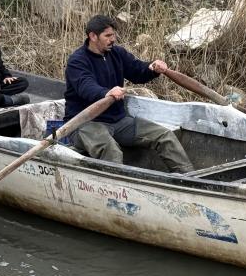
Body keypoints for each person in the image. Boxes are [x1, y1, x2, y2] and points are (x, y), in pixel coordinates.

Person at [64, 15, 194, 173]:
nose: (113, 39)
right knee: (111, 151)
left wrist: (151, 68)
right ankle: (115, 192)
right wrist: (106, 92)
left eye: (114, 35)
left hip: (118, 121)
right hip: (85, 123)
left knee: (164, 136)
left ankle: (189, 179)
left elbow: (137, 71)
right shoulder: (77, 61)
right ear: (92, 36)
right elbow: (86, 87)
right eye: (108, 36)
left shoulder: (116, 53)